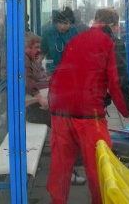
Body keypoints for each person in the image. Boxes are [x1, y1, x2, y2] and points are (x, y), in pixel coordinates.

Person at [46, 7, 129, 204]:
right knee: (99, 168)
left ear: (95, 20)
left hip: (60, 109)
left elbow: (66, 73)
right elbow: (118, 81)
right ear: (114, 26)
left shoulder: (76, 39)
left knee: (60, 167)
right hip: (88, 115)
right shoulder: (110, 43)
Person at [24, 32, 87, 185]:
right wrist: (41, 98)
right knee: (63, 125)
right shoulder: (23, 61)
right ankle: (68, 168)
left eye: (39, 47)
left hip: (38, 103)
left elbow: (43, 77)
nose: (39, 50)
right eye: (35, 47)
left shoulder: (32, 59)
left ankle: (76, 158)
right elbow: (27, 82)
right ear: (26, 48)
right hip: (31, 109)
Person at [40, 7, 79, 74]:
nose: (62, 26)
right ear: (56, 21)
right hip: (52, 73)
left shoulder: (74, 33)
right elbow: (41, 54)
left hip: (70, 73)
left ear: (70, 23)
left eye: (66, 23)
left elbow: (79, 55)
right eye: (60, 23)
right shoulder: (48, 33)